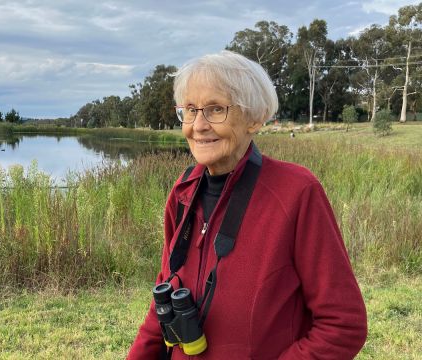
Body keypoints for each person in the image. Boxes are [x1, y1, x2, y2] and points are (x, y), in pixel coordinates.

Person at [127, 51, 367, 359]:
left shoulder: (296, 192)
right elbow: (163, 300)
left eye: (215, 109)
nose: (198, 125)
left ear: (254, 118)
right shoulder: (183, 191)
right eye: (189, 110)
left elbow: (343, 325)